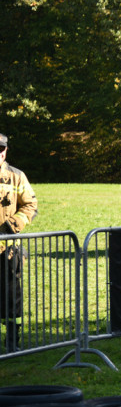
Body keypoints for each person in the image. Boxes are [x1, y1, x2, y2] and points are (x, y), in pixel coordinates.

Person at [0, 133, 38, 353]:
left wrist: (13, 225)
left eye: (1, 149)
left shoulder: (16, 177)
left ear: (6, 150)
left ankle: (13, 341)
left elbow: (31, 205)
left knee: (11, 295)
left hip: (7, 248)